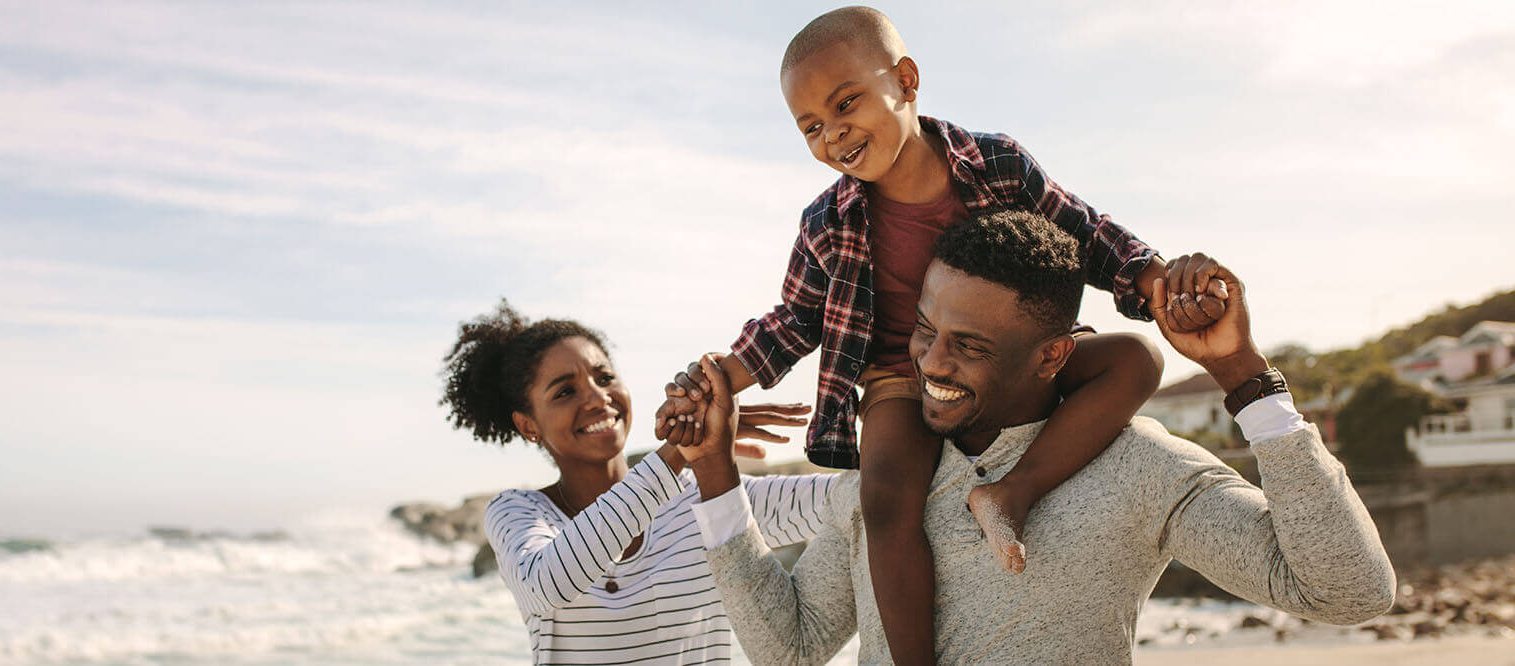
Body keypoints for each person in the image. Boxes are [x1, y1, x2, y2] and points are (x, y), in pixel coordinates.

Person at [655, 7, 1229, 662]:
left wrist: (1161, 283)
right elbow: (795, 319)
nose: (833, 133)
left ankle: (1011, 491)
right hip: (903, 380)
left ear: (905, 79)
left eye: (846, 103)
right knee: (885, 497)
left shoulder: (997, 164)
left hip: (1010, 363)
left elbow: (1085, 232)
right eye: (811, 126)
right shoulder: (826, 221)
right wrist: (717, 378)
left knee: (1135, 359)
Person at [681, 208, 1396, 664]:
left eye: (969, 346)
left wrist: (1241, 374)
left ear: (1053, 354)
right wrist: (715, 473)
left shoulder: (1137, 466)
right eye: (925, 330)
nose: (931, 363)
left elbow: (1348, 591)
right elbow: (793, 651)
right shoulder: (885, 480)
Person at [437, 302, 836, 664]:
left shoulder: (709, 497)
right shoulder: (518, 511)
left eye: (605, 376)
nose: (598, 398)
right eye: (564, 392)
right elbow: (545, 585)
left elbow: (852, 502)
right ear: (528, 425)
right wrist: (683, 447)